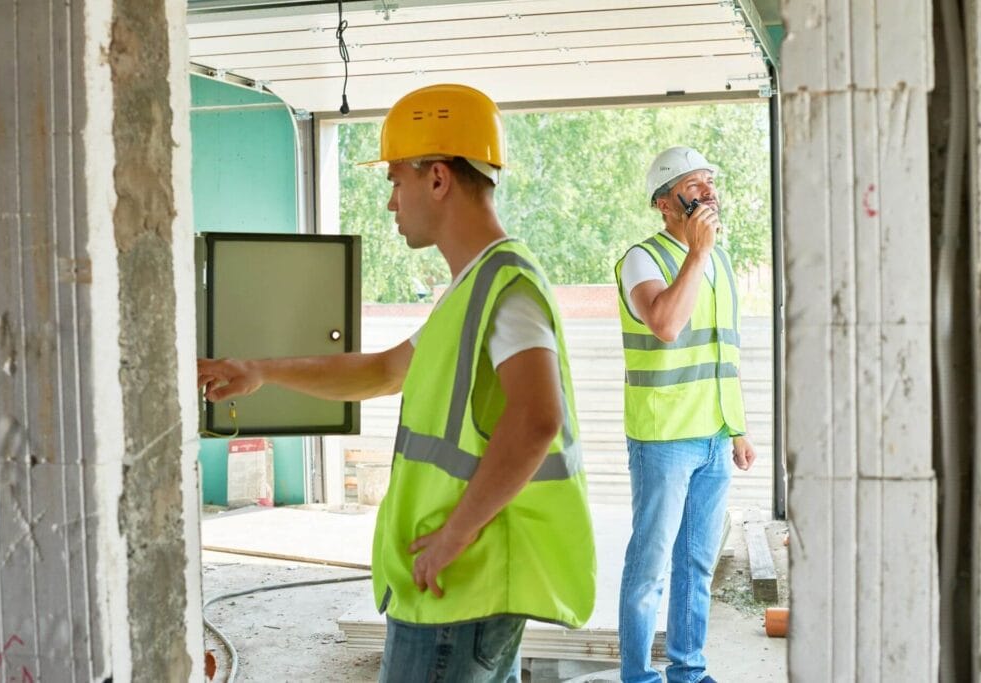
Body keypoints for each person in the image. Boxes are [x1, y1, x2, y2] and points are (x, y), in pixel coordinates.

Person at [198, 83, 596, 683]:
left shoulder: (506, 287)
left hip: (460, 587)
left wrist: (454, 536)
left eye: (395, 180)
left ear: (437, 178)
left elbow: (538, 418)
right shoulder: (472, 289)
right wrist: (262, 371)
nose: (391, 202)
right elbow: (384, 370)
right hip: (454, 585)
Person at [614, 146, 756, 683]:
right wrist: (696, 254)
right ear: (665, 203)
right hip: (664, 438)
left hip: (714, 434)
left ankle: (689, 673)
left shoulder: (720, 261)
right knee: (650, 565)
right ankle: (637, 676)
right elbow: (666, 325)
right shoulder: (643, 259)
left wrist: (738, 429)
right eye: (694, 186)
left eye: (710, 182)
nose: (709, 192)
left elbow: (725, 352)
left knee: (696, 564)